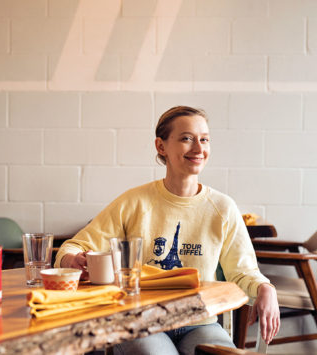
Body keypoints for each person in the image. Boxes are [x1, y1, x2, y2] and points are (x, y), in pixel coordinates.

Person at [55, 106, 280, 355]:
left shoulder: (223, 208)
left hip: (199, 323)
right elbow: (73, 247)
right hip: (141, 322)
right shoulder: (134, 202)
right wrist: (72, 259)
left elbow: (243, 271)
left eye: (204, 139)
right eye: (186, 138)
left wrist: (265, 288)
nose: (198, 148)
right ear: (161, 146)